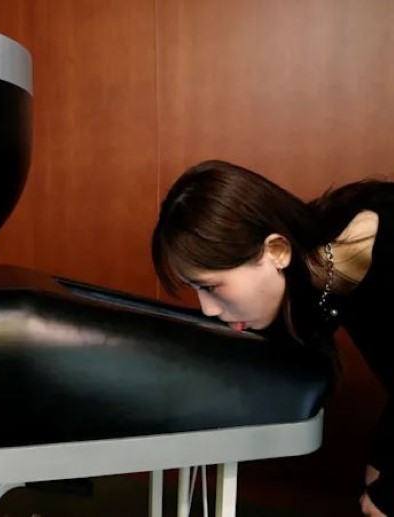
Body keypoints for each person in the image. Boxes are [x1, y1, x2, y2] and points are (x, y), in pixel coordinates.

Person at [151, 159, 394, 517]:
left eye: (211, 287)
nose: (208, 309)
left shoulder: (378, 244)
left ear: (277, 251)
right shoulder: (308, 271)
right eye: (195, 289)